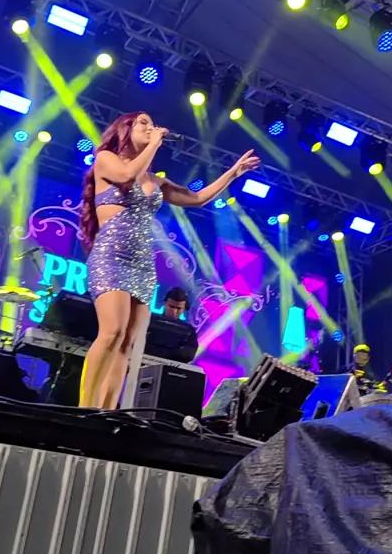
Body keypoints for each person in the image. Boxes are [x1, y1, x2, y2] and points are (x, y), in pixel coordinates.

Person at [79, 111, 260, 409]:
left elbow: (197, 198)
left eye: (153, 125)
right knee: (111, 332)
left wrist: (233, 173)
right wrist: (155, 143)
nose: (151, 128)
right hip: (111, 255)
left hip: (141, 263)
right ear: (125, 130)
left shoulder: (156, 182)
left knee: (126, 342)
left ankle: (105, 411)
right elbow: (126, 177)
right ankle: (84, 408)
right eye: (143, 123)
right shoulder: (106, 159)